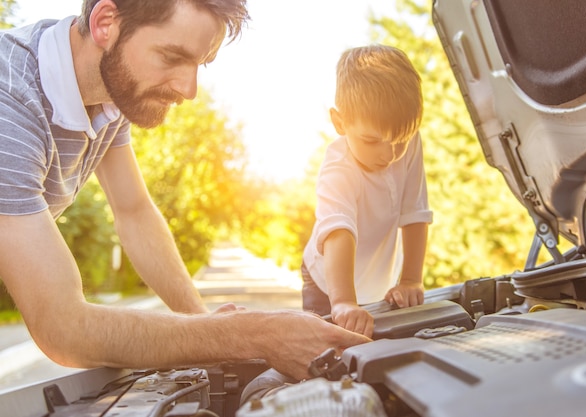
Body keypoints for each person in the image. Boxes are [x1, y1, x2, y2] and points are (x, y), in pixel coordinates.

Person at [0, 0, 369, 381]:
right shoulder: (8, 103)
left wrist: (201, 322)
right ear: (105, 23)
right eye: (171, 56)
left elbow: (134, 211)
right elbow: (64, 329)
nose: (189, 89)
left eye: (200, 64)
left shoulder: (110, 91)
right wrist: (253, 334)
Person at [302, 44, 433, 338]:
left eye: (400, 139)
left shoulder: (409, 144)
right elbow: (338, 231)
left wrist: (411, 280)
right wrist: (344, 302)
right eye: (372, 140)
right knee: (323, 349)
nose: (389, 153)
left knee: (372, 346)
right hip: (327, 284)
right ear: (340, 122)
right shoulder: (339, 168)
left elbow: (415, 211)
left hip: (376, 281)